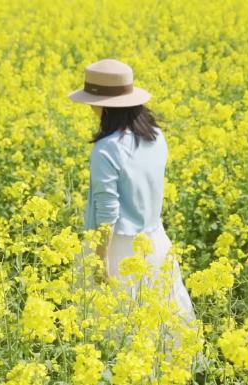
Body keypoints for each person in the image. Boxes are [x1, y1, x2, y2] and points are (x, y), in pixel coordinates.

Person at [67, 58, 198, 331]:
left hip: (120, 249)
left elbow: (108, 211)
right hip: (155, 242)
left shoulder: (106, 149)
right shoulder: (156, 136)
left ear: (103, 104)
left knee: (116, 329)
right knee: (161, 325)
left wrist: (100, 262)